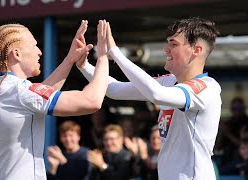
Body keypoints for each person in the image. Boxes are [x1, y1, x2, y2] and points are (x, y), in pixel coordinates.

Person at [78, 17, 221, 179]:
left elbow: (156, 94)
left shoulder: (206, 87)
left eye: (173, 44)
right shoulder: (168, 82)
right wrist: (83, 65)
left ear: (197, 50)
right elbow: (114, 89)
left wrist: (115, 52)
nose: (166, 50)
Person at [0, 20, 110, 180]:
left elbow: (36, 97)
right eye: (33, 46)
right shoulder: (19, 91)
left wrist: (70, 59)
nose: (39, 52)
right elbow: (92, 101)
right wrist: (103, 56)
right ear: (17, 54)